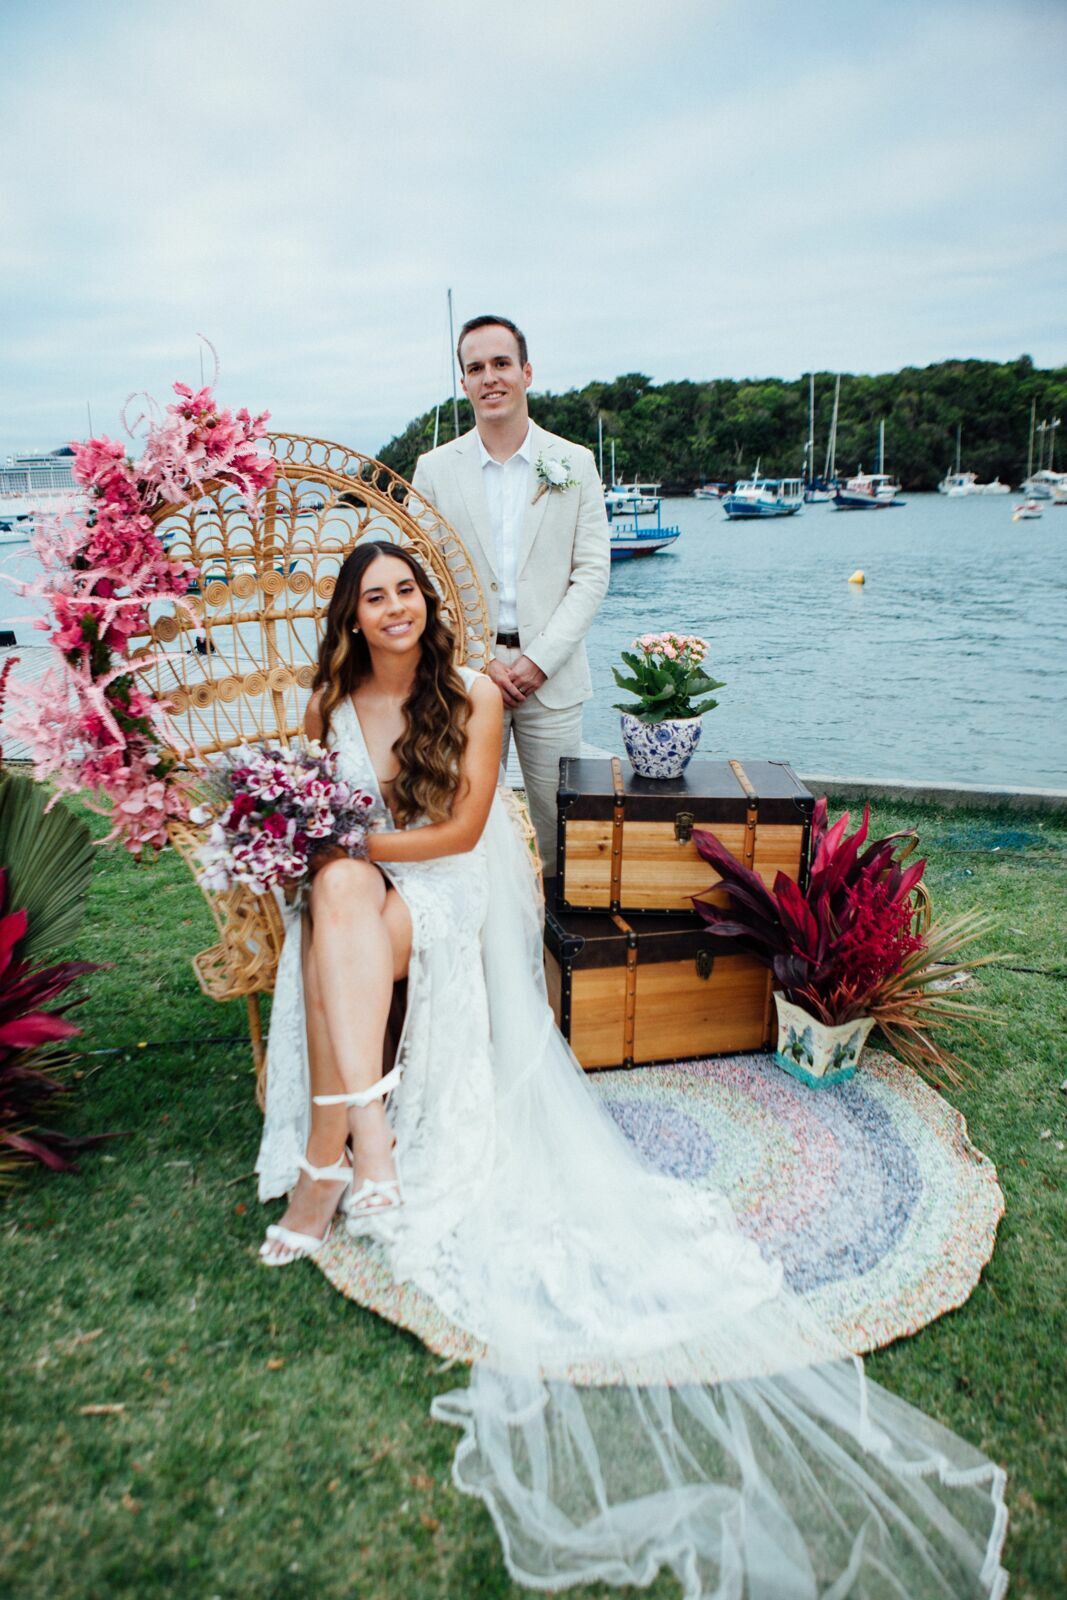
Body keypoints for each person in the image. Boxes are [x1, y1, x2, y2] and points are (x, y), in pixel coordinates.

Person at [256, 541, 1007, 1599]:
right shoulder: (327, 703)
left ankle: (331, 1159)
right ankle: (361, 1147)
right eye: (372, 596)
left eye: (406, 592)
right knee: (331, 902)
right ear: (349, 613)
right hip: (360, 893)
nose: (393, 609)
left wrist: (346, 850)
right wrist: (307, 845)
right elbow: (303, 816)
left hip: (441, 882)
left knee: (338, 889)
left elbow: (467, 829)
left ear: (427, 604)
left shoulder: (467, 693)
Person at [411, 315, 610, 876]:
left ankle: (559, 944)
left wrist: (539, 660)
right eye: (476, 368)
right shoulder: (432, 470)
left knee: (560, 827)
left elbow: (592, 573)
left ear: (526, 372)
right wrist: (475, 662)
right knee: (469, 820)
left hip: (553, 676)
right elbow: (423, 580)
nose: (490, 378)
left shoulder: (574, 462)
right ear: (465, 383)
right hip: (467, 679)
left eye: (501, 364)